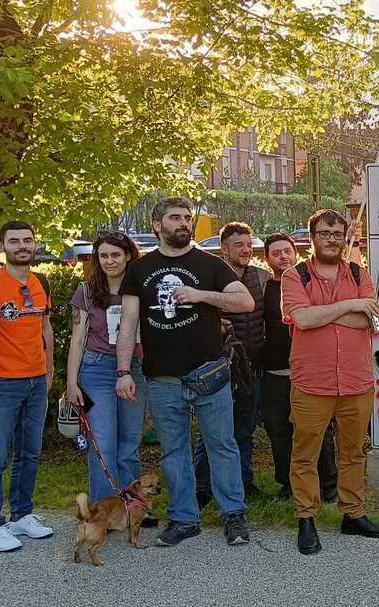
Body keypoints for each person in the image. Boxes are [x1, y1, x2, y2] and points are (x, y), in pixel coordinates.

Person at [116, 197, 254, 547]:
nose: (183, 223)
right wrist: (123, 371)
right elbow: (129, 323)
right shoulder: (140, 269)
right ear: (156, 225)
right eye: (174, 218)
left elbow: (244, 302)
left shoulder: (211, 264)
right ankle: (184, 518)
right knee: (173, 450)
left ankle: (233, 516)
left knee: (221, 445)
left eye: (186, 218)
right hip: (162, 378)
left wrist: (201, 295)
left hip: (208, 374)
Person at [281, 208, 379, 555]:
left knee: (353, 452)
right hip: (312, 382)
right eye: (325, 233)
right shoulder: (294, 275)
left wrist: (327, 314)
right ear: (312, 237)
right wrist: (351, 306)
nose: (332, 239)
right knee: (305, 455)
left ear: (345, 238)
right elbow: (302, 318)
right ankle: (306, 518)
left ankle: (353, 514)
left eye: (337, 234)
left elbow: (371, 323)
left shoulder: (360, 273)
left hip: (356, 383)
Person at [66, 231, 154, 527]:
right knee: (102, 443)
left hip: (135, 369)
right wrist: (71, 382)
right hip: (97, 369)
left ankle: (132, 509)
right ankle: (103, 512)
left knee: (129, 442)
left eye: (115, 254)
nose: (109, 261)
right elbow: (77, 339)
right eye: (103, 255)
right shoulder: (87, 291)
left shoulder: (142, 287)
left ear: (128, 255)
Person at [0, 221, 55, 552]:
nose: (22, 245)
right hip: (0, 381)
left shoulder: (42, 281)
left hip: (36, 380)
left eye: (27, 239)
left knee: (29, 453)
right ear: (3, 245)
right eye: (14, 241)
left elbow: (46, 328)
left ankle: (21, 514)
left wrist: (50, 371)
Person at [194, 222, 270, 506]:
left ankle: (244, 482)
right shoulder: (210, 281)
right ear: (223, 249)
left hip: (252, 368)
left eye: (249, 244)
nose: (246, 250)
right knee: (211, 431)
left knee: (245, 430)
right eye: (239, 245)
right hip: (219, 367)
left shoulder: (261, 278)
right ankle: (202, 487)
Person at [260, 233, 338, 501]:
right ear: (267, 259)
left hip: (310, 371)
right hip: (275, 372)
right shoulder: (265, 289)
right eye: (276, 253)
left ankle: (328, 485)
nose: (283, 256)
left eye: (287, 251)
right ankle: (288, 484)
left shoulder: (311, 282)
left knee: (319, 430)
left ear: (296, 253)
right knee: (279, 430)